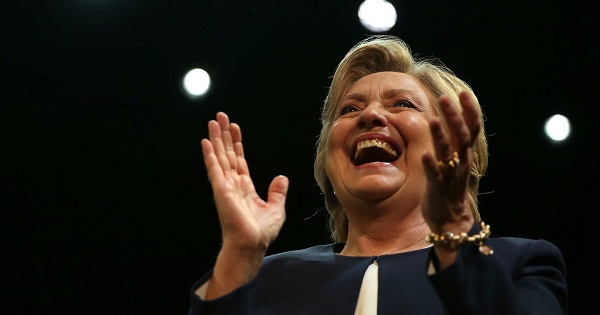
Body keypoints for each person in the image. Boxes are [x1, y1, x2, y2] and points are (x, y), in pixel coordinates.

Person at [188, 35, 569, 314]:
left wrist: (454, 235)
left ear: (455, 150)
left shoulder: (518, 263)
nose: (370, 116)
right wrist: (239, 254)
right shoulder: (266, 279)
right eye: (349, 110)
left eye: (402, 104)